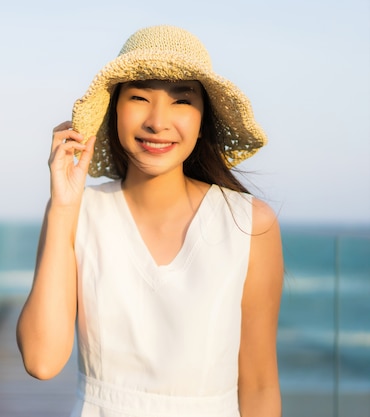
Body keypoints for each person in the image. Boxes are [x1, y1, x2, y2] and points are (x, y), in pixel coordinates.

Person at [16, 25, 284, 417]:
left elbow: (260, 385)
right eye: (140, 97)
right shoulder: (77, 213)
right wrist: (62, 206)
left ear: (202, 118)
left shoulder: (248, 223)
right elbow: (42, 361)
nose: (158, 122)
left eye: (181, 101)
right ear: (115, 109)